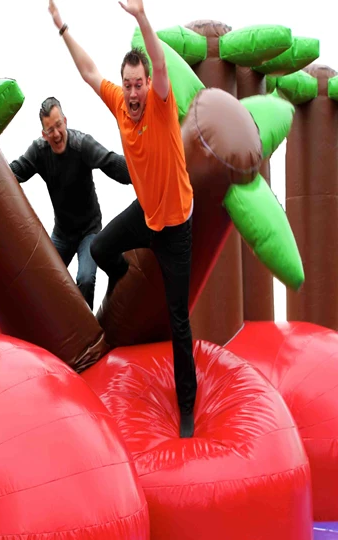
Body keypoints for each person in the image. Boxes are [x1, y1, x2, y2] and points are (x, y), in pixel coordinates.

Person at [47, 0, 197, 437]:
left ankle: (187, 409)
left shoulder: (161, 105)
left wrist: (141, 17)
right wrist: (63, 27)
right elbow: (89, 71)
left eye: (138, 85)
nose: (132, 93)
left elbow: (161, 64)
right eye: (127, 85)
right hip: (146, 215)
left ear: (149, 85)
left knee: (179, 320)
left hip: (176, 228)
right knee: (98, 248)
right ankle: (123, 273)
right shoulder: (118, 104)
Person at [9, 97, 132, 310]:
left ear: (65, 121)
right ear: (43, 134)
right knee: (42, 280)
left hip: (89, 230)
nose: (56, 134)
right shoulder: (39, 151)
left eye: (59, 125)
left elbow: (110, 162)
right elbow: (13, 173)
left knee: (85, 279)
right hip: (63, 234)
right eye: (50, 130)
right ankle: (50, 324)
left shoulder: (81, 145)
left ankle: (84, 328)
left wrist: (142, 173)